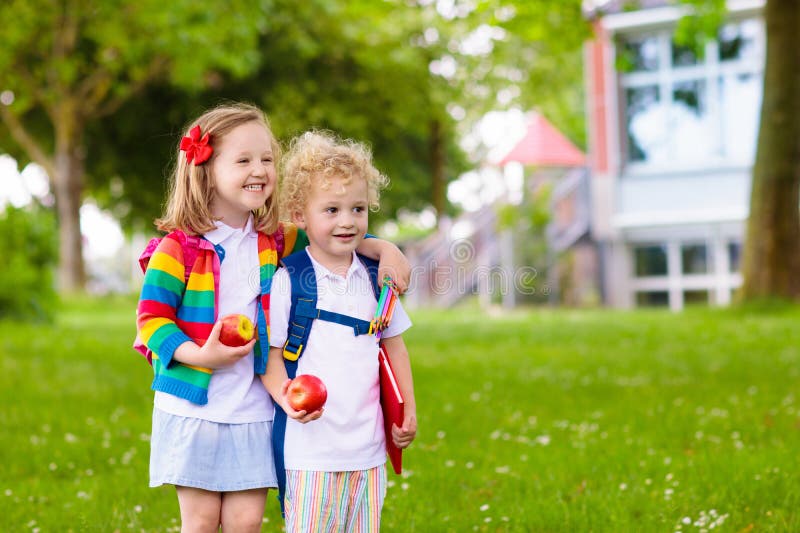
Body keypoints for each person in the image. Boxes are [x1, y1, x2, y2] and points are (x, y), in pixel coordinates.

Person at [135, 103, 410, 533]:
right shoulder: (178, 248)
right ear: (206, 170)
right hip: (194, 407)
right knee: (203, 521)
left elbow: (335, 234)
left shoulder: (275, 238)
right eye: (243, 160)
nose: (259, 169)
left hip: (252, 407)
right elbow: (151, 321)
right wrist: (200, 354)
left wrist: (385, 250)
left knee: (246, 522)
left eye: (266, 159)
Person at [262, 130, 418, 532]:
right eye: (331, 210)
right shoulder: (290, 280)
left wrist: (408, 410)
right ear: (301, 215)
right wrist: (287, 400)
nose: (347, 221)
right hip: (310, 453)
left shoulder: (377, 281)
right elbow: (270, 356)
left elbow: (395, 348)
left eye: (358, 209)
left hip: (368, 452)